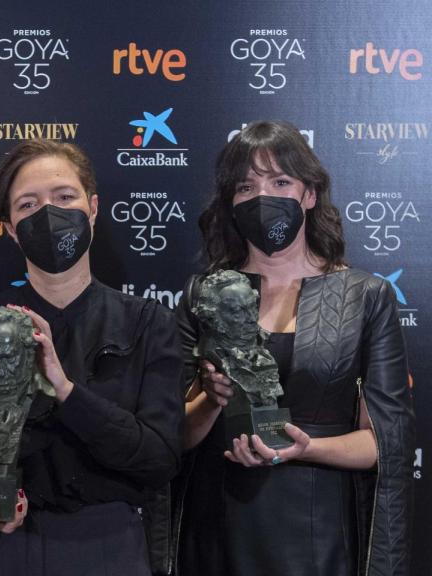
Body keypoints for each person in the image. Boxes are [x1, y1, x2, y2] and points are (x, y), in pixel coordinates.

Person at [0, 139, 183, 576]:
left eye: (65, 197)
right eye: (28, 205)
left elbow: (158, 458)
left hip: (106, 547)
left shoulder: (148, 323)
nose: (49, 214)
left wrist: (66, 390)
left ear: (93, 207)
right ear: (9, 227)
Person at [175, 120, 415, 576]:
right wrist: (211, 400)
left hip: (319, 526)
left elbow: (384, 443)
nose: (264, 197)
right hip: (216, 526)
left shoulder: (366, 296)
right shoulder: (199, 294)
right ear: (231, 201)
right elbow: (172, 436)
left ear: (309, 194)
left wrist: (302, 449)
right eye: (246, 186)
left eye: (281, 181)